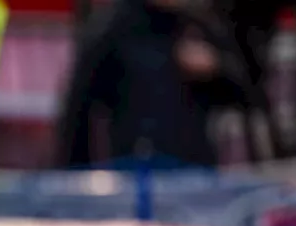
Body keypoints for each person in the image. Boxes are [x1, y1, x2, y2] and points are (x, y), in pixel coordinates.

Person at [55, 0, 253, 168]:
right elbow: (78, 108)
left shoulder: (195, 28)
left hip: (194, 172)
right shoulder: (114, 30)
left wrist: (215, 69)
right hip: (134, 168)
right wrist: (76, 175)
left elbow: (245, 95)